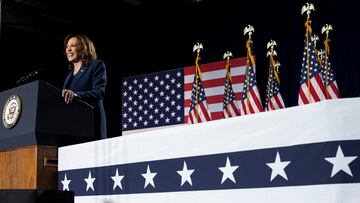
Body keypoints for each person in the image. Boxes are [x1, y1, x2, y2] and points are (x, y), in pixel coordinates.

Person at [62, 34, 107, 139]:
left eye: (73, 45)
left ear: (84, 48)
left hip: (91, 125)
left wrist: (76, 95)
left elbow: (99, 92)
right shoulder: (69, 76)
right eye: (67, 46)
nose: (68, 49)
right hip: (72, 128)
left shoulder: (96, 65)